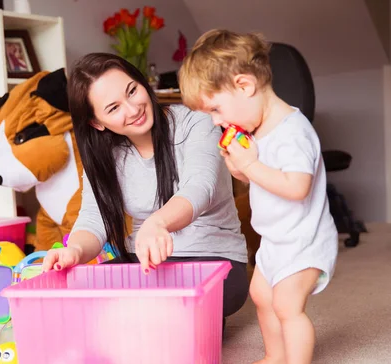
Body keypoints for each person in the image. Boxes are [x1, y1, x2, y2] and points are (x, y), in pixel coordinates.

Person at [178, 29, 338, 364]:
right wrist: (242, 170)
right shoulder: (258, 131)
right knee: (261, 295)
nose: (216, 121)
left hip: (303, 239)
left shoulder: (293, 131)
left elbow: (296, 187)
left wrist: (250, 165)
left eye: (215, 108)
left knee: (286, 305)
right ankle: (277, 358)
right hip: (275, 238)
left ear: (245, 85)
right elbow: (266, 183)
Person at [40, 52, 249, 320]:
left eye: (132, 91)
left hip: (213, 261)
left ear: (142, 83)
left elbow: (200, 188)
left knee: (156, 314)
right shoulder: (106, 156)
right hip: (143, 265)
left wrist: (157, 223)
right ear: (96, 122)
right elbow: (94, 218)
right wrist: (75, 251)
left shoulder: (195, 121)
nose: (133, 109)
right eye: (113, 108)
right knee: (69, 305)